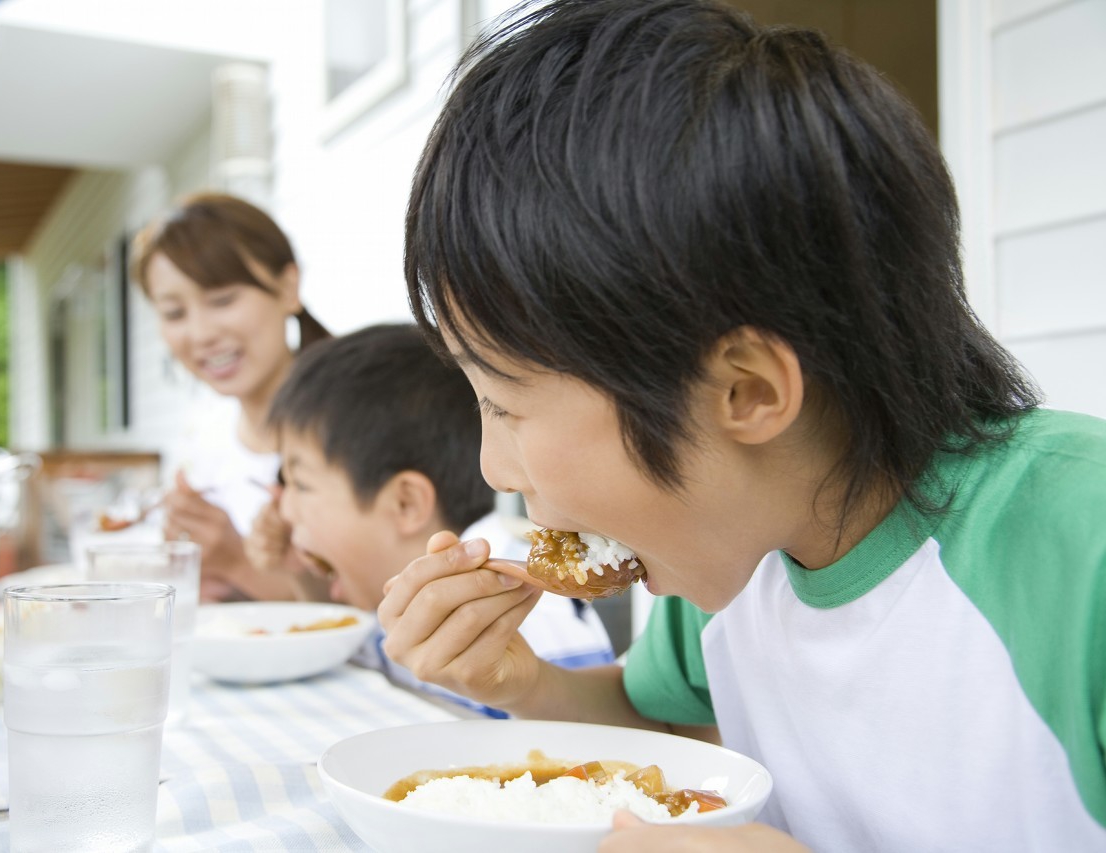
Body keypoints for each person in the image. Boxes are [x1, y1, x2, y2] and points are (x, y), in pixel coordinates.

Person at [378, 1, 1106, 850]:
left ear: (748, 392)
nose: (493, 467)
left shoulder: (1080, 548)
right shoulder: (733, 550)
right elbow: (673, 736)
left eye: (503, 403)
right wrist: (525, 684)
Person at [252, 323, 617, 715]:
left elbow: (594, 747)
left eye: (301, 484)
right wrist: (305, 577)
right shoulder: (399, 601)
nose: (284, 511)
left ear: (406, 504)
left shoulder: (526, 612)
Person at [132, 192, 330, 601]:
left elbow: (371, 616)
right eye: (174, 313)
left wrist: (235, 561)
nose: (201, 334)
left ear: (288, 287)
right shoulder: (201, 441)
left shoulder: (354, 420)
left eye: (222, 300)